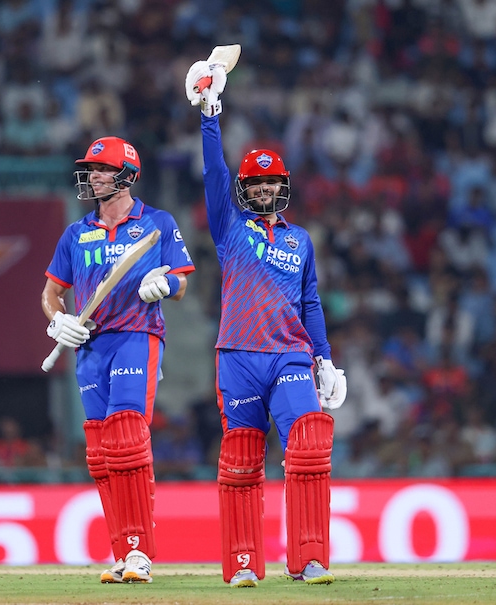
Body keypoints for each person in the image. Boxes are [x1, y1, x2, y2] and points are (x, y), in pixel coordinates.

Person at [184, 60, 348, 587]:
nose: (262, 190)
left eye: (271, 182)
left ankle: (309, 559)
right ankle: (243, 564)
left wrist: (324, 359)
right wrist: (210, 115)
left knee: (309, 445)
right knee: (241, 459)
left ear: (283, 186)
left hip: (291, 355)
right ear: (243, 190)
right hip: (239, 356)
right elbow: (213, 173)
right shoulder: (229, 227)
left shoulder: (301, 240)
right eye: (254, 184)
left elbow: (311, 303)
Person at [41, 136, 195, 583]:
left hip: (136, 336)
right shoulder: (76, 232)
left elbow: (182, 281)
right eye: (91, 170)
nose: (93, 177)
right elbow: (52, 292)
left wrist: (164, 285)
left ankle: (141, 552)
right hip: (90, 345)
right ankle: (123, 551)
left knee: (127, 437)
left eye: (103, 169)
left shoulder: (157, 223)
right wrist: (57, 321)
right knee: (101, 453)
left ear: (127, 175)